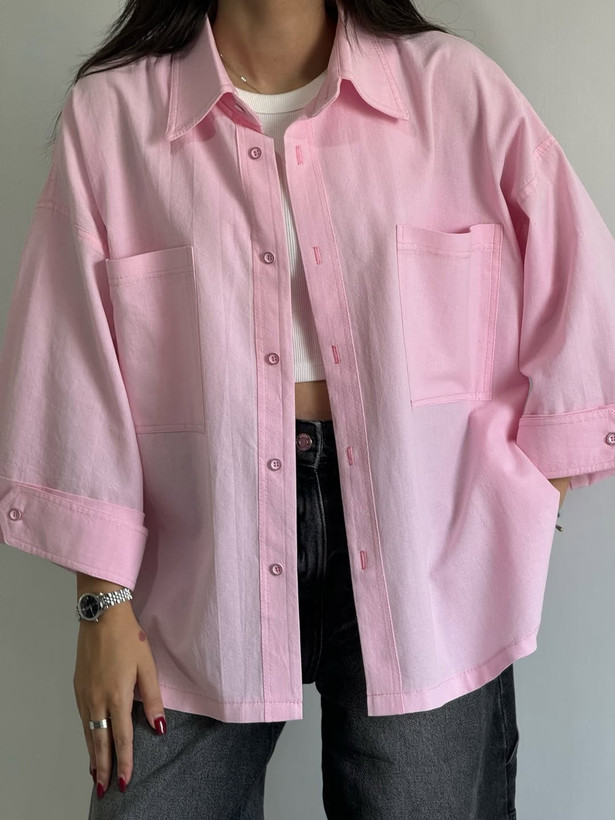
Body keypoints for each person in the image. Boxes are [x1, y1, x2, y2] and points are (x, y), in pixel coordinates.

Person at [1, 0, 614, 817]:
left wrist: (528, 494)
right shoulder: (113, 115)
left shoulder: (455, 90)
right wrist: (100, 604)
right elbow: (72, 362)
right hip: (199, 554)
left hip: (429, 547)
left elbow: (583, 296)